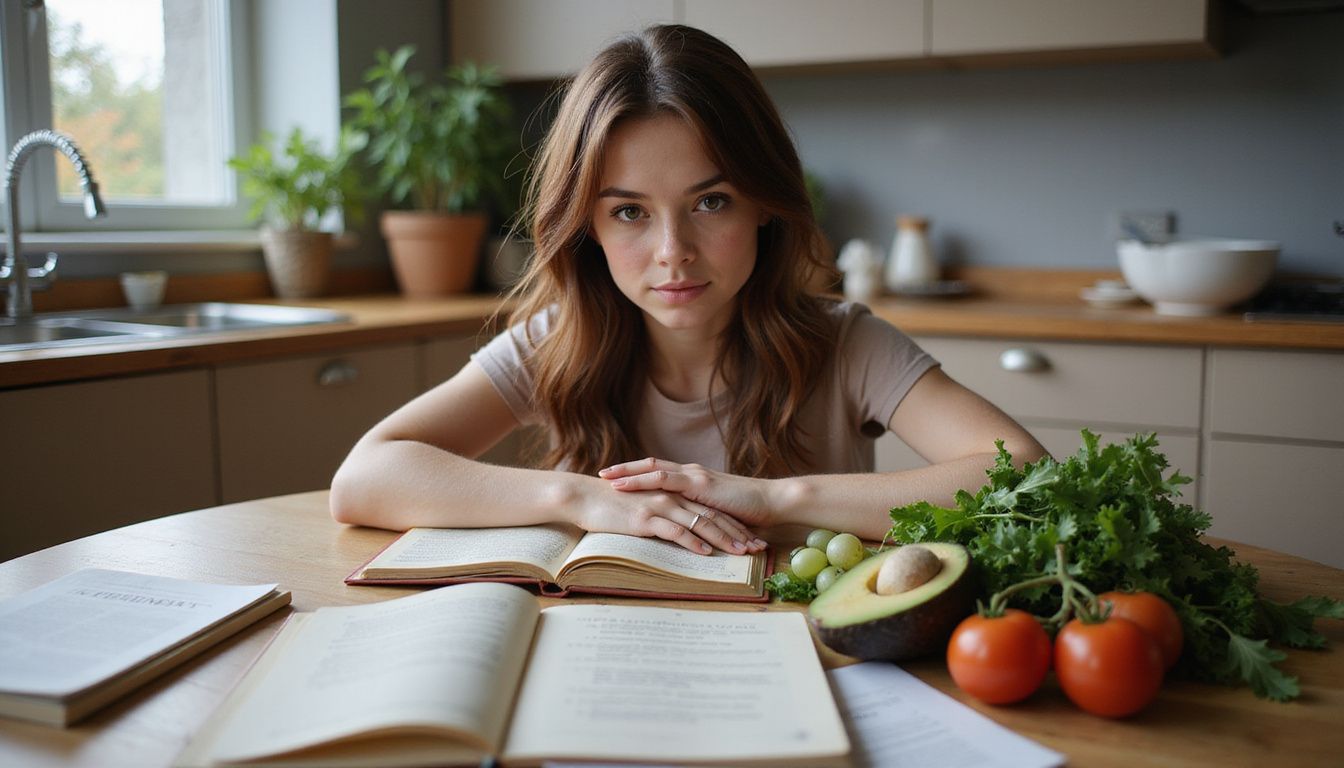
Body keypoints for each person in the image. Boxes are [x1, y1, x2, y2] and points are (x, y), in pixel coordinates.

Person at [330, 24, 1045, 555]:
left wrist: (775, 498)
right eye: (630, 212)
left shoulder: (847, 342)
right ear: (589, 227)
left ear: (764, 202)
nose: (673, 254)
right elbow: (364, 477)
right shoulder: (555, 340)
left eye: (711, 202)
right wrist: (584, 499)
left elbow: (1023, 473)